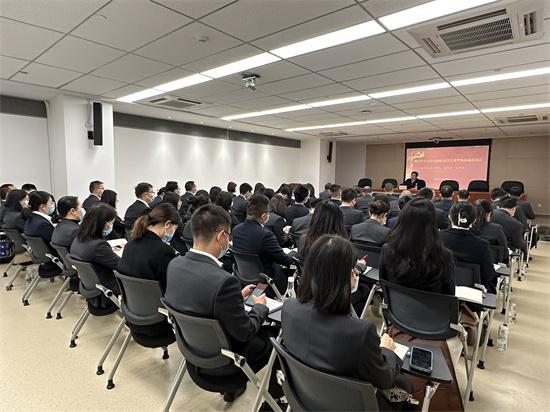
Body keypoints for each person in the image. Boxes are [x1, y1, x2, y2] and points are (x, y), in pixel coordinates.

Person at [164, 204, 283, 406]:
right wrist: (260, 307)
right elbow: (245, 332)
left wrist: (235, 297)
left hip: (192, 354)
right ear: (221, 236)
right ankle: (274, 402)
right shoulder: (223, 280)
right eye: (228, 236)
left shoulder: (174, 265)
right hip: (227, 363)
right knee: (279, 337)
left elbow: (200, 301)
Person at [282, 234, 412, 411]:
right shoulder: (360, 332)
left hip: (306, 399)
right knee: (405, 385)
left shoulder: (288, 308)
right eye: (353, 270)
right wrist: (387, 350)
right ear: (348, 275)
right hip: (348, 404)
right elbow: (385, 380)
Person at [379, 198, 461, 411]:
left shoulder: (388, 250)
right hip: (436, 328)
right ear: (432, 224)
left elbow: (384, 285)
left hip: (398, 321)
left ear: (401, 221)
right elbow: (449, 297)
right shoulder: (444, 256)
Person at [231, 194, 295, 292]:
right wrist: (294, 254)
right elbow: (283, 259)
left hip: (243, 281)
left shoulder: (236, 230)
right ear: (264, 216)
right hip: (264, 283)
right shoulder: (265, 235)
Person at [118, 203, 179, 293]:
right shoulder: (164, 251)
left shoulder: (129, 245)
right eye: (174, 229)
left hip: (133, 299)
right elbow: (170, 285)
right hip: (156, 300)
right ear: (167, 224)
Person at [440, 202, 498, 293]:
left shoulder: (437, 237)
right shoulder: (482, 245)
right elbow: (488, 275)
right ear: (474, 220)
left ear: (449, 218)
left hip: (440, 287)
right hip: (472, 292)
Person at [70, 202, 121, 296]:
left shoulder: (78, 239)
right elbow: (121, 266)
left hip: (92, 286)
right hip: (109, 288)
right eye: (111, 223)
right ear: (103, 223)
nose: (111, 226)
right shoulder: (98, 245)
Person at [22, 191, 62, 275]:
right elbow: (55, 242)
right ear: (43, 206)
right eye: (51, 202)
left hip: (43, 257)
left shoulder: (32, 219)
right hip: (53, 259)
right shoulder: (41, 224)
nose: (53, 204)